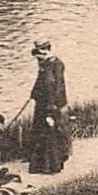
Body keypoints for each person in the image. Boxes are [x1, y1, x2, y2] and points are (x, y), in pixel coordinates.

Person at [28, 40, 71, 175]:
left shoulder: (55, 67)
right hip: (42, 104)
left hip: (51, 105)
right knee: (42, 134)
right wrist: (34, 93)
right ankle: (44, 164)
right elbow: (40, 82)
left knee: (50, 135)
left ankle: (51, 166)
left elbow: (54, 89)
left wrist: (50, 113)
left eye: (39, 56)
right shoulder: (46, 64)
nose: (37, 60)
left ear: (46, 52)